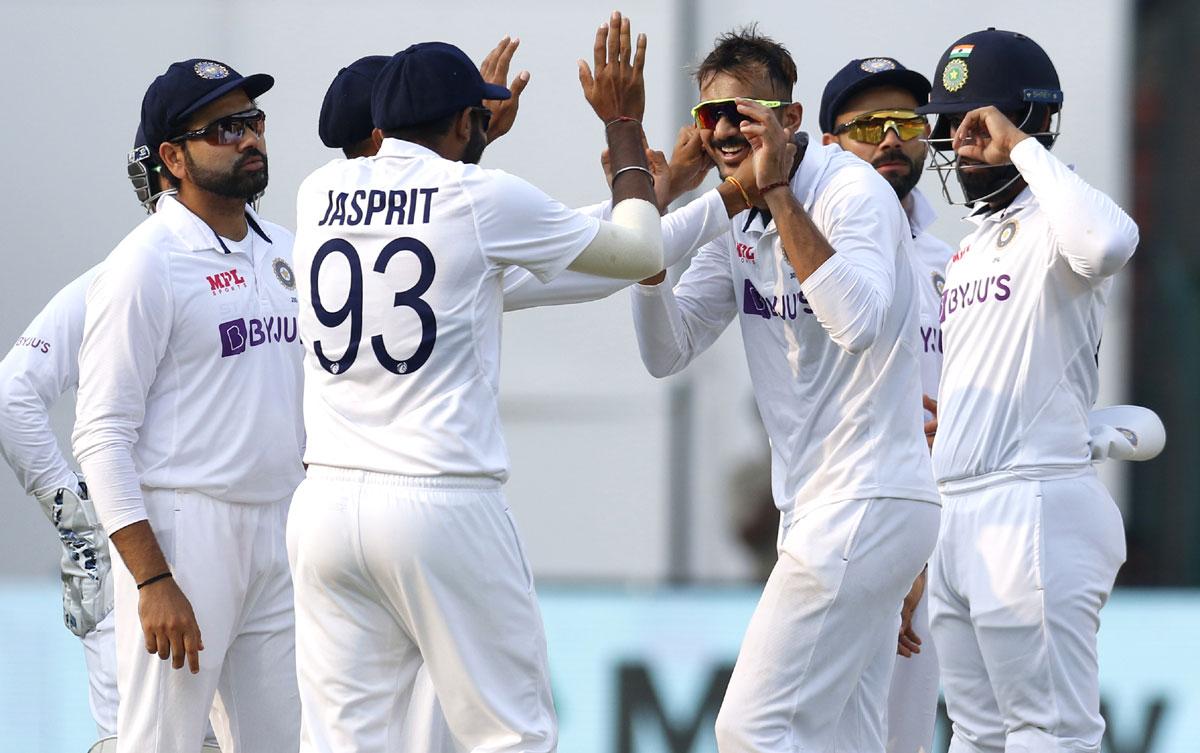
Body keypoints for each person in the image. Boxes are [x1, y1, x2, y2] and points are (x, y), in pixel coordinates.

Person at [287, 14, 675, 752]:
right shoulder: (483, 198)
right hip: (440, 500)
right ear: (467, 120)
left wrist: (472, 136)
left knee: (346, 742)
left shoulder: (319, 191)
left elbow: (428, 211)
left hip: (327, 507)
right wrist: (624, 123)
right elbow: (639, 249)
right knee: (511, 734)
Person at [631, 27, 940, 753]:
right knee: (853, 741)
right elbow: (664, 349)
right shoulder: (734, 217)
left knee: (750, 727)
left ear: (792, 120)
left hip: (865, 499)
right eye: (712, 117)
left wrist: (774, 192)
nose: (728, 130)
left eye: (748, 113)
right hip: (820, 509)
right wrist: (651, 252)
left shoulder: (850, 192)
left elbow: (858, 321)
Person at [917, 29, 1139, 753]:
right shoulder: (973, 241)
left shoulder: (1058, 219)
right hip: (960, 509)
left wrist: (1021, 148)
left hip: (1034, 504)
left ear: (1027, 118)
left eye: (976, 122)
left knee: (1051, 734)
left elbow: (1109, 244)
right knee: (977, 735)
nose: (961, 140)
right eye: (953, 126)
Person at [73, 58, 303, 753]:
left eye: (253, 122)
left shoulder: (286, 250)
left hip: (283, 529)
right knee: (161, 744)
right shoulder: (146, 262)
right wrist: (153, 578)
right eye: (225, 128)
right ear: (172, 156)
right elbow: (100, 434)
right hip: (185, 533)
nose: (250, 139)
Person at [819, 56, 949, 753]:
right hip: (831, 530)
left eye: (907, 122)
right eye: (870, 125)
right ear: (831, 144)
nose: (892, 138)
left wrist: (916, 555)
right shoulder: (807, 251)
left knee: (902, 740)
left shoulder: (954, 261)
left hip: (932, 541)